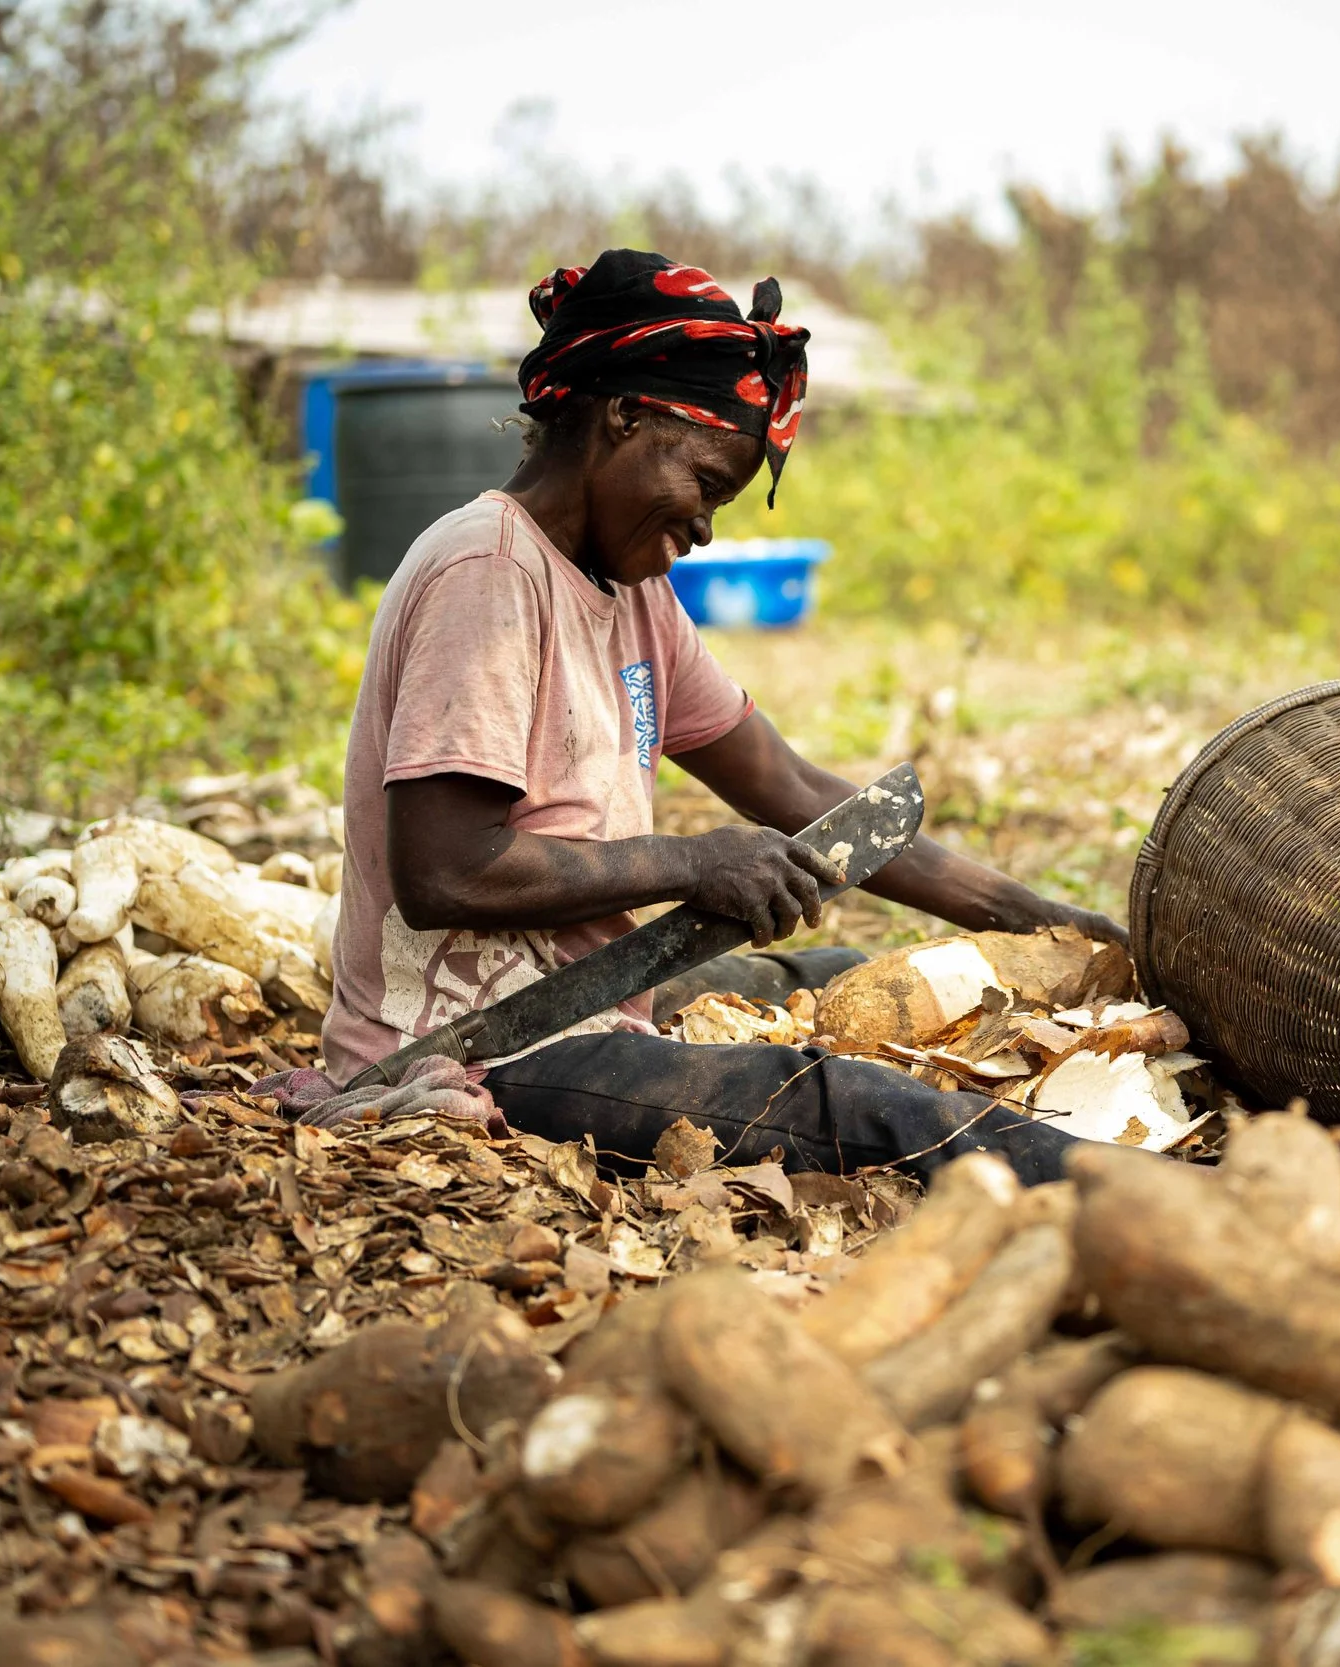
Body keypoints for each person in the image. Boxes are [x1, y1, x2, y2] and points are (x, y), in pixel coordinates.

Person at [318, 249, 1122, 1184]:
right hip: (485, 1040)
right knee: (845, 1102)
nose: (706, 529)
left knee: (865, 980)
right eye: (706, 483)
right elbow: (445, 869)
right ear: (624, 416)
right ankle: (1172, 1193)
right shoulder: (490, 571)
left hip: (595, 994)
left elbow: (791, 789)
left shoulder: (631, 593)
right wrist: (694, 861)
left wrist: (1039, 920)